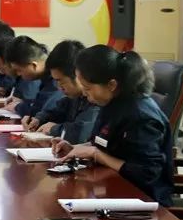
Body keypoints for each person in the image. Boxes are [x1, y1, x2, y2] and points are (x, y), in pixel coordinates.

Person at [52, 45, 173, 206]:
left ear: (111, 85)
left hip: (143, 201)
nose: (85, 94)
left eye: (87, 88)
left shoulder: (141, 117)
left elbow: (146, 174)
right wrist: (75, 148)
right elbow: (103, 143)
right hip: (112, 189)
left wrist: (97, 154)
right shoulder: (112, 103)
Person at [23, 40, 99, 143]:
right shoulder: (73, 97)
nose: (59, 87)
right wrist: (38, 119)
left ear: (77, 75)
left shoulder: (96, 98)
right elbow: (56, 112)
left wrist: (54, 129)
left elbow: (81, 134)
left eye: (61, 81)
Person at [4, 36, 63, 117]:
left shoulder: (56, 78)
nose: (18, 74)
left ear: (34, 65)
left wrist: (17, 107)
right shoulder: (46, 75)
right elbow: (39, 102)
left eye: (19, 70)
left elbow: (39, 110)